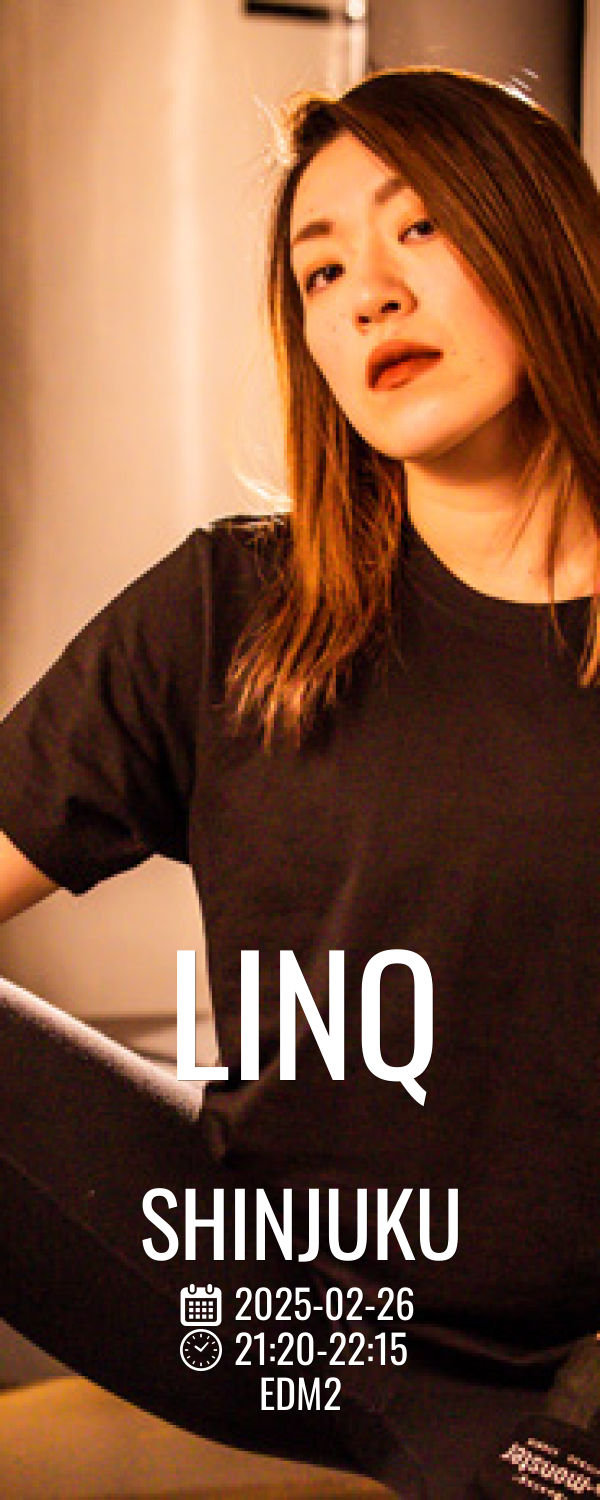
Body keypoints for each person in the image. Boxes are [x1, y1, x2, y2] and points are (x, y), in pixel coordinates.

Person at [0, 68, 598, 1499]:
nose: (368, 294)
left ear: (543, 237)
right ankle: (424, 1417)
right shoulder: (227, 606)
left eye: (421, 228)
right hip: (276, 1300)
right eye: (320, 271)